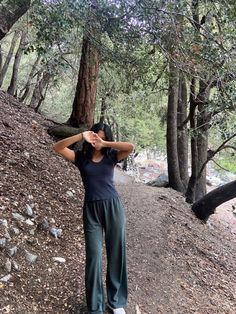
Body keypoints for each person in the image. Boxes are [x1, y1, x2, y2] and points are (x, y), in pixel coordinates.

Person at [53, 123, 134, 314]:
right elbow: (57, 147)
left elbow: (130, 147)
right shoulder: (81, 158)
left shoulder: (112, 156)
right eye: (95, 135)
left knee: (116, 253)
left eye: (101, 136)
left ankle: (116, 302)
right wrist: (81, 135)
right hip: (91, 210)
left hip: (113, 207)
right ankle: (95, 306)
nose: (97, 139)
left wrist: (105, 143)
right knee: (94, 257)